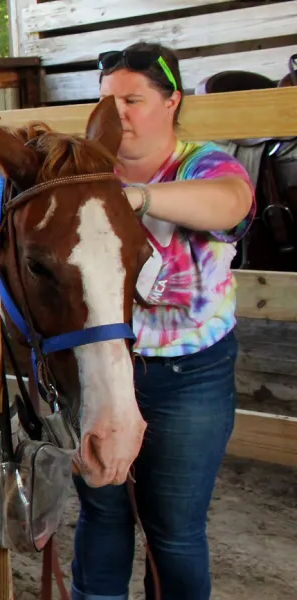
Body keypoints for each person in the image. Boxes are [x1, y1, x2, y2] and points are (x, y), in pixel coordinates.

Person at [69, 41, 256, 600]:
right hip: (103, 367)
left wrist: (138, 197)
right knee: (101, 515)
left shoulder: (204, 162)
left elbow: (230, 203)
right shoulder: (83, 172)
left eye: (134, 99)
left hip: (187, 374)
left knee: (173, 530)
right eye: (108, 102)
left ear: (171, 101)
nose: (118, 114)